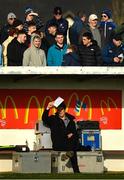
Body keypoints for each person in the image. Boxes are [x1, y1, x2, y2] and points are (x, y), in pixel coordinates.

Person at [42, 100, 80, 173]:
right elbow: (44, 119)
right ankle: (76, 171)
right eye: (58, 109)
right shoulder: (53, 119)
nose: (60, 111)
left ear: (64, 109)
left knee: (74, 141)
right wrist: (48, 108)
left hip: (69, 143)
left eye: (61, 109)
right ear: (56, 110)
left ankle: (68, 155)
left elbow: (75, 131)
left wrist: (71, 133)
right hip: (58, 144)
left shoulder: (71, 120)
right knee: (73, 148)